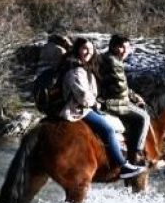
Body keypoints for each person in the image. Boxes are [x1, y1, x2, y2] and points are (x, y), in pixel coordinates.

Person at [58, 37, 146, 179]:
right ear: (78, 49)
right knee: (108, 129)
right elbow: (83, 97)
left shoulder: (83, 67)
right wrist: (97, 104)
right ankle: (123, 166)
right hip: (78, 110)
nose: (88, 52)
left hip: (85, 106)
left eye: (91, 50)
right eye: (85, 49)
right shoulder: (76, 70)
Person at [98, 34, 151, 164]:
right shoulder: (114, 62)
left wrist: (133, 95)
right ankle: (137, 154)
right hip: (113, 102)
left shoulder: (106, 58)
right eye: (121, 47)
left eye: (126, 47)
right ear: (113, 47)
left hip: (105, 98)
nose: (124, 51)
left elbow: (122, 85)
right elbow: (120, 88)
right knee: (144, 117)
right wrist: (132, 99)